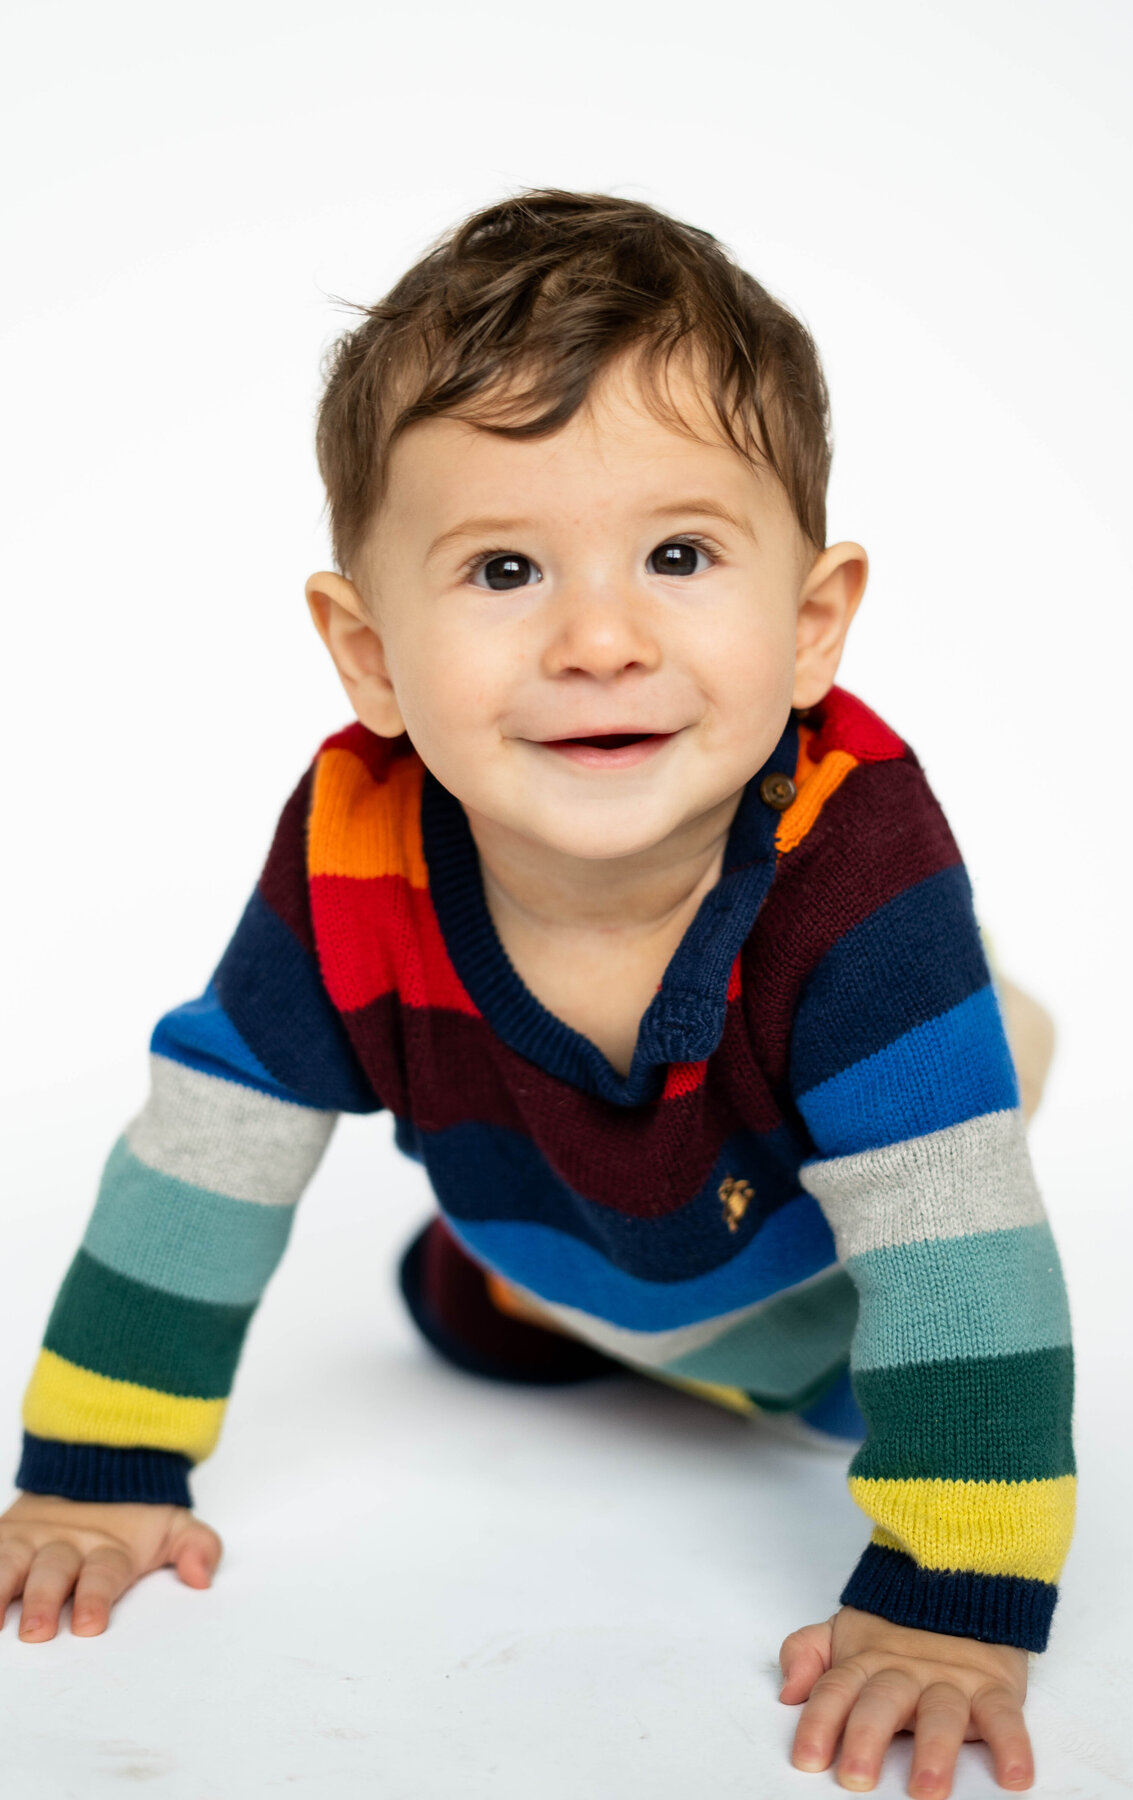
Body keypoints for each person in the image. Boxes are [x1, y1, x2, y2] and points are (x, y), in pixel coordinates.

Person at [0, 190, 1071, 1797]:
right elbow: (209, 1140)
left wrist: (951, 1603)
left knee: (900, 1328)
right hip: (543, 1232)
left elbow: (959, 1251)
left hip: (807, 1271)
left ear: (811, 624)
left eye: (681, 555)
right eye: (503, 566)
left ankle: (981, 1047)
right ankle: (538, 1271)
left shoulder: (857, 860)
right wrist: (98, 1471)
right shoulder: (357, 842)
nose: (599, 636)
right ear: (368, 654)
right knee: (462, 1314)